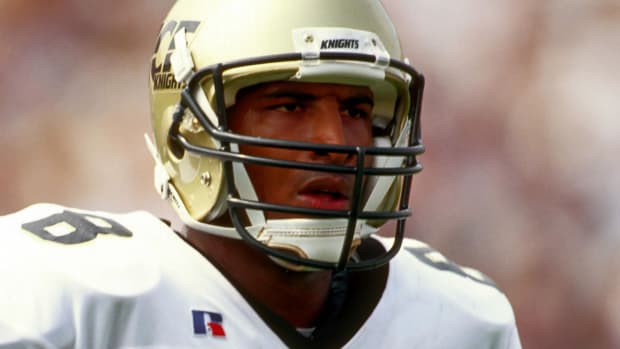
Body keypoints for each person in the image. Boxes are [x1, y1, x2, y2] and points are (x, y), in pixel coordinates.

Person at [0, 0, 522, 348]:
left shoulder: (460, 319)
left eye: (356, 112)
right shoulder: (74, 297)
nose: (336, 143)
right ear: (190, 132)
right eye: (292, 105)